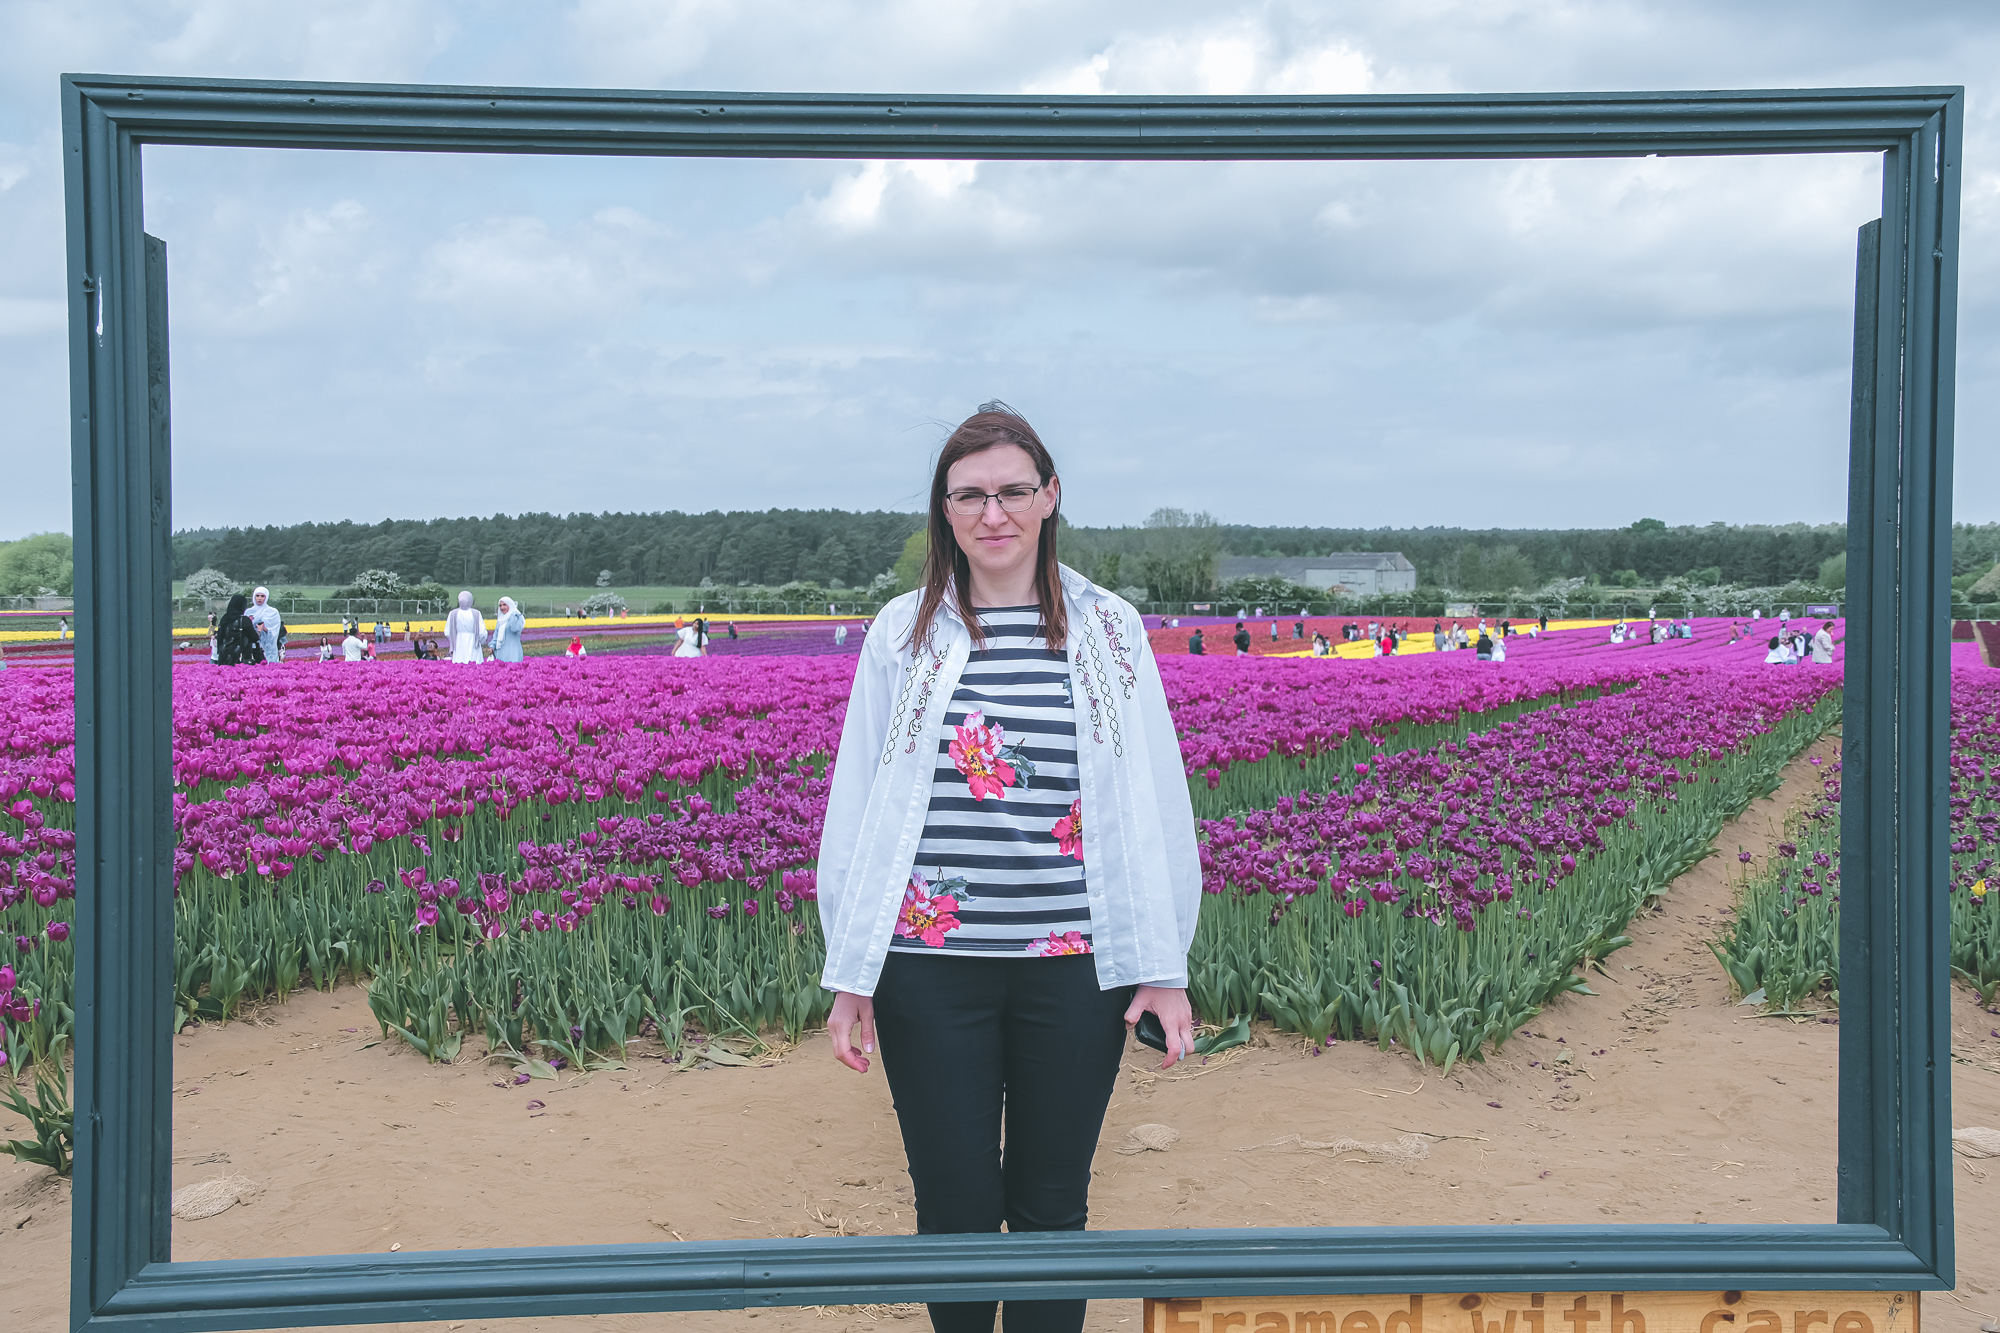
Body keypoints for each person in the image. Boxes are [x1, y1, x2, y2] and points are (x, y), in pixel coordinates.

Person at [816, 403, 1199, 1333]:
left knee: (1051, 1210)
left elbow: (1153, 795)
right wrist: (853, 970)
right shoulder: (902, 632)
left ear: (1050, 496)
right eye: (970, 495)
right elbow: (859, 803)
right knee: (952, 1210)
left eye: (1013, 491)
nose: (994, 514)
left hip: (1074, 968)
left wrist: (1163, 962)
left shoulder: (1107, 629)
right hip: (929, 968)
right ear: (944, 509)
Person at [214, 593, 263, 666]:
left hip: (224, 656)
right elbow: (254, 638)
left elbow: (220, 637)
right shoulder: (244, 620)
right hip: (240, 657)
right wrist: (259, 630)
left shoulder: (224, 619)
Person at [446, 592, 486, 665]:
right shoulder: (476, 613)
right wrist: (480, 641)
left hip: (458, 642)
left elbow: (447, 632)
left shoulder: (452, 613)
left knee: (459, 663)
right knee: (474, 663)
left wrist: (452, 641)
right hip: (473, 642)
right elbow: (482, 633)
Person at [247, 587, 282, 663]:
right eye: (257, 596)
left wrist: (265, 629)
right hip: (252, 646)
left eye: (262, 596)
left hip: (267, 646)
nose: (259, 598)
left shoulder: (272, 612)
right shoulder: (248, 612)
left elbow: (275, 629)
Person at [490, 595, 526, 663]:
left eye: (504, 605)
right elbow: (496, 635)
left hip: (513, 650)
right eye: (500, 605)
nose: (502, 607)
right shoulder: (500, 620)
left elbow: (515, 629)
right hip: (500, 651)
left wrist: (513, 616)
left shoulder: (517, 617)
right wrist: (492, 646)